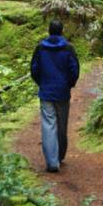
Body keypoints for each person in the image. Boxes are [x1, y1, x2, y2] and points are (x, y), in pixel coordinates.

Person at [30, 19, 80, 172]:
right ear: (61, 31)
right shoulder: (68, 48)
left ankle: (52, 162)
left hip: (46, 92)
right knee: (62, 124)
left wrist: (42, 83)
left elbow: (34, 69)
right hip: (63, 92)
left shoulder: (40, 48)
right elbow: (74, 69)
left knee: (48, 125)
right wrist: (69, 84)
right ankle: (59, 156)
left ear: (49, 31)